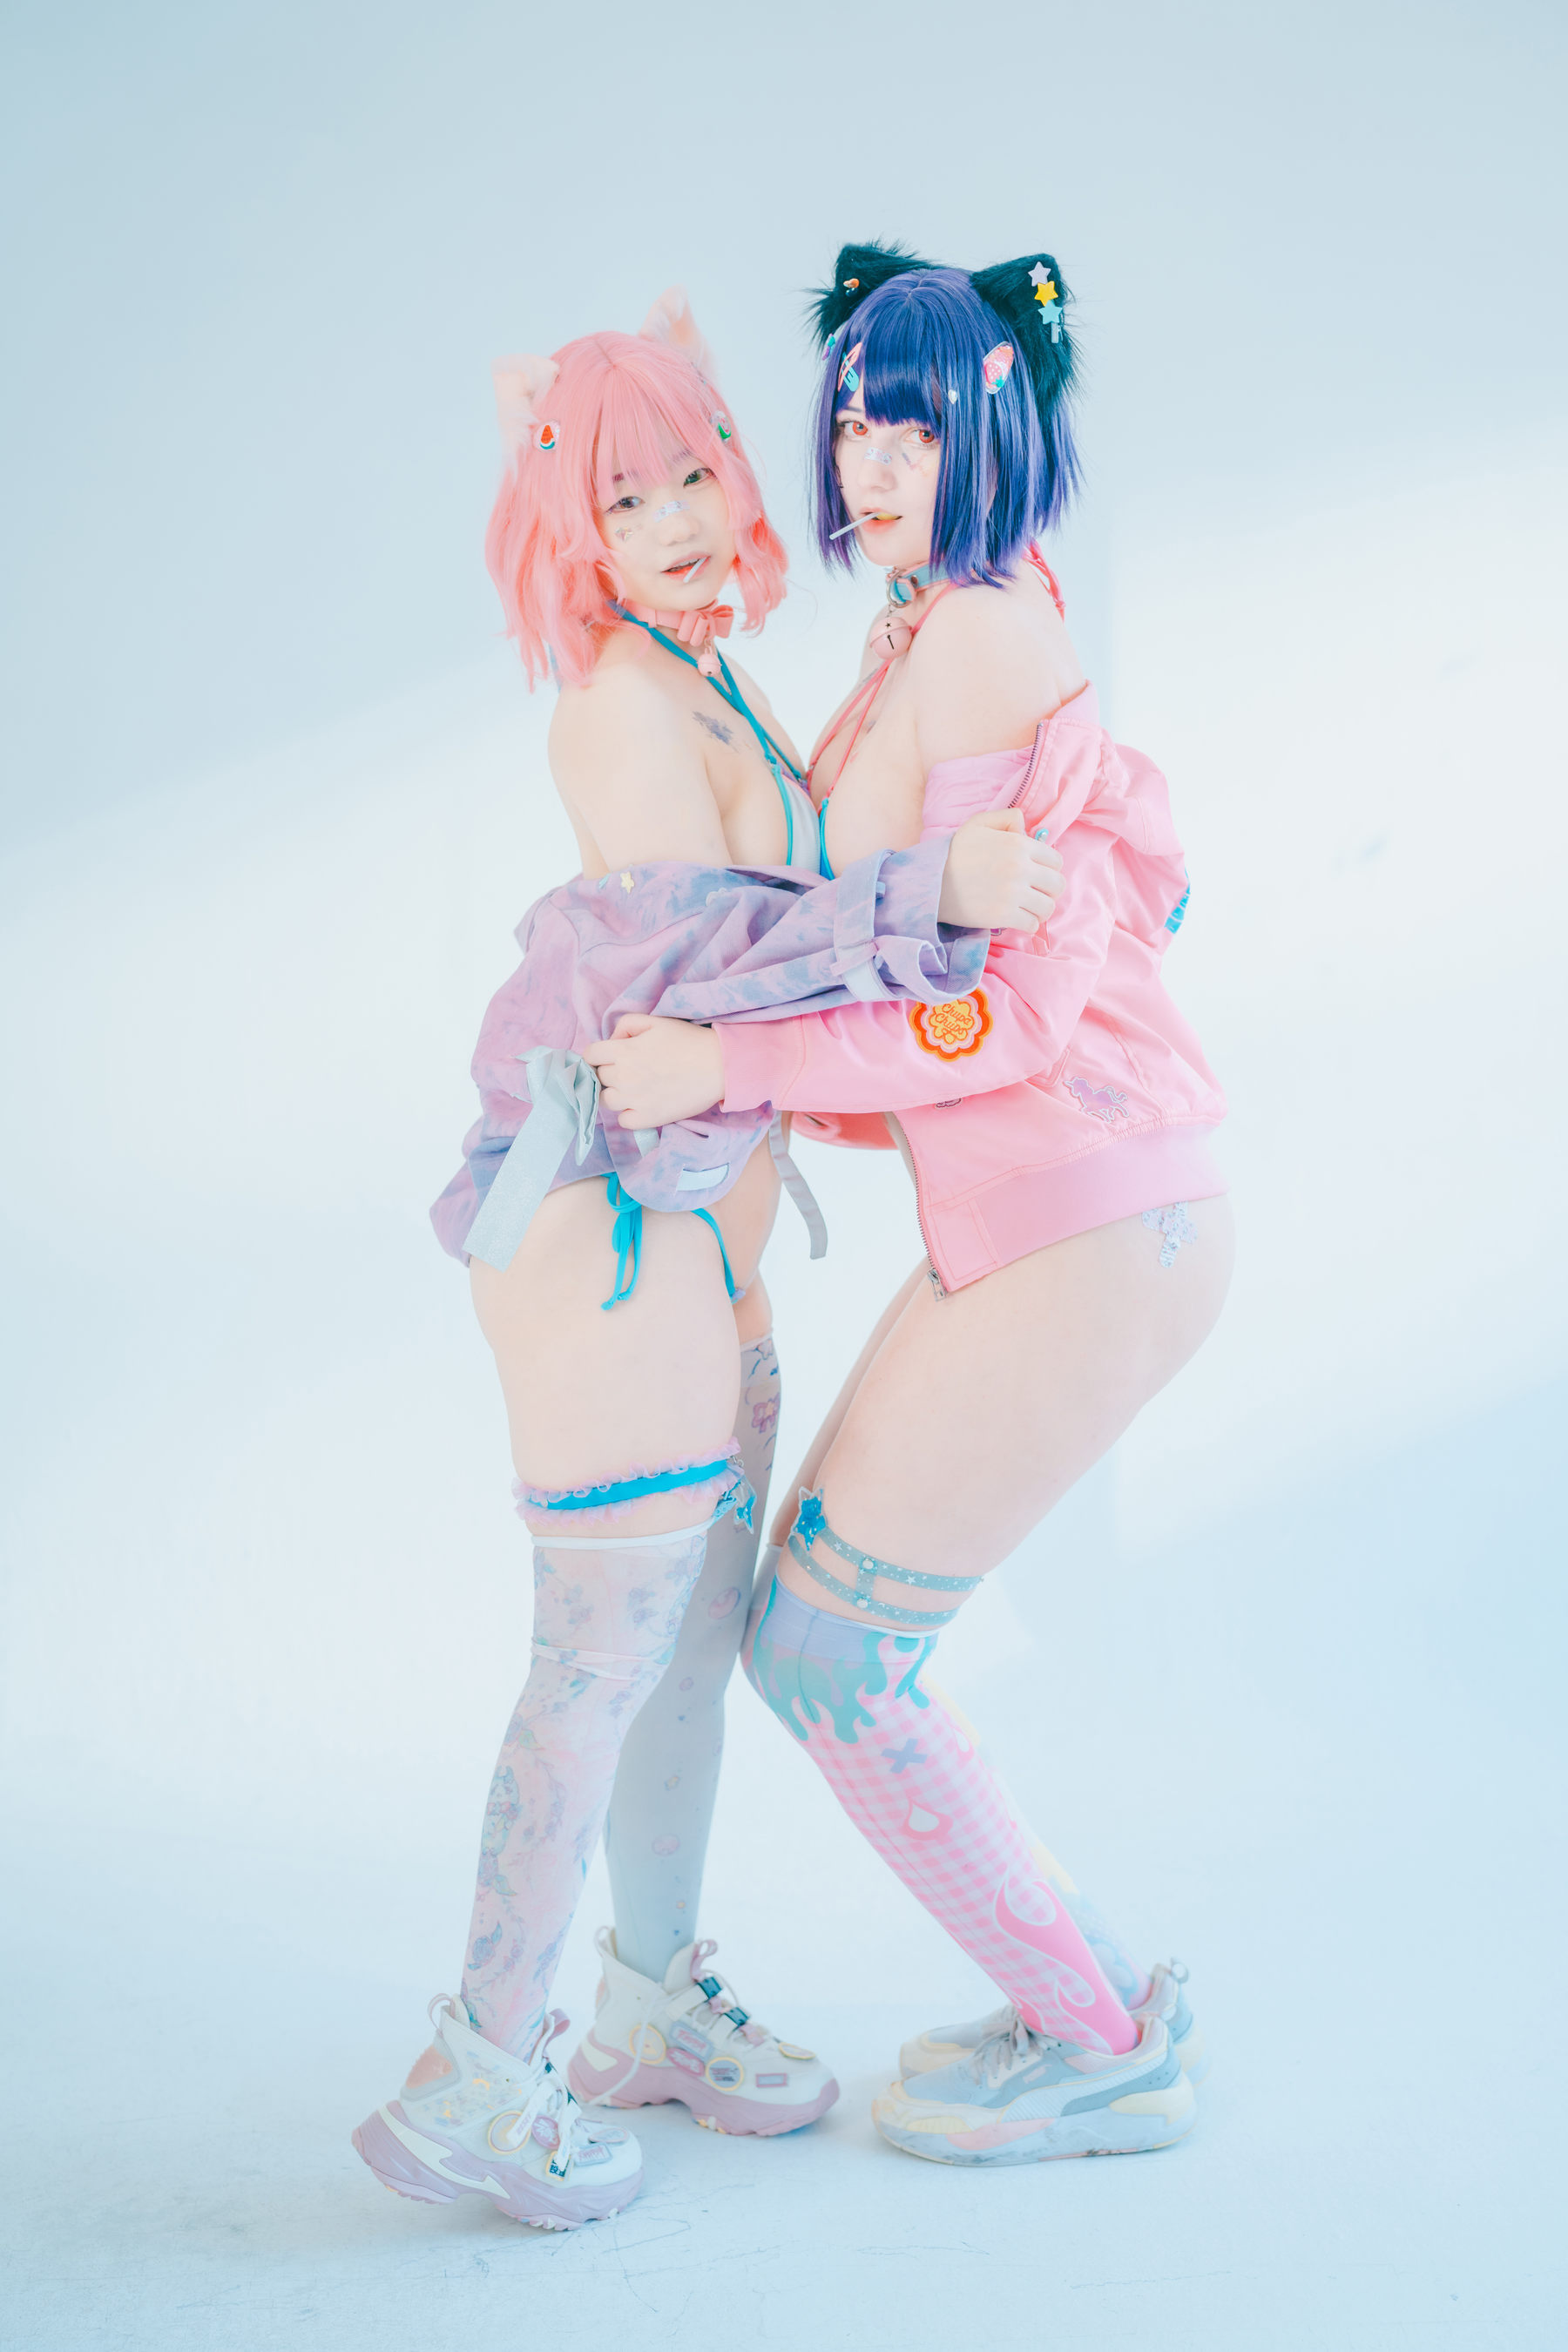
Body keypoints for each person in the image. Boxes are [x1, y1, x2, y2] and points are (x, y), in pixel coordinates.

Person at [352, 292, 1060, 2227]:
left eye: (692, 473)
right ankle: (475, 2077)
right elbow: (713, 975)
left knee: (678, 1660)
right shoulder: (617, 702)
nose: (670, 520)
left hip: (697, 1251)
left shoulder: (709, 679)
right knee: (596, 1663)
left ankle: (647, 2004)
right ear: (561, 528)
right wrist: (934, 889)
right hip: (611, 1240)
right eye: (622, 495)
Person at [584, 244, 1234, 2169]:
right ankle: (1090, 1995)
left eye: (919, 427)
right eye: (856, 421)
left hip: (1089, 1210)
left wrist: (732, 1066)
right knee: (815, 1633)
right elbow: (913, 931)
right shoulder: (940, 620)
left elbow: (992, 1014)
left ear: (996, 436)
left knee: (826, 1651)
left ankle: (1098, 2038)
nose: (871, 462)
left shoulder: (973, 637)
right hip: (1050, 1213)